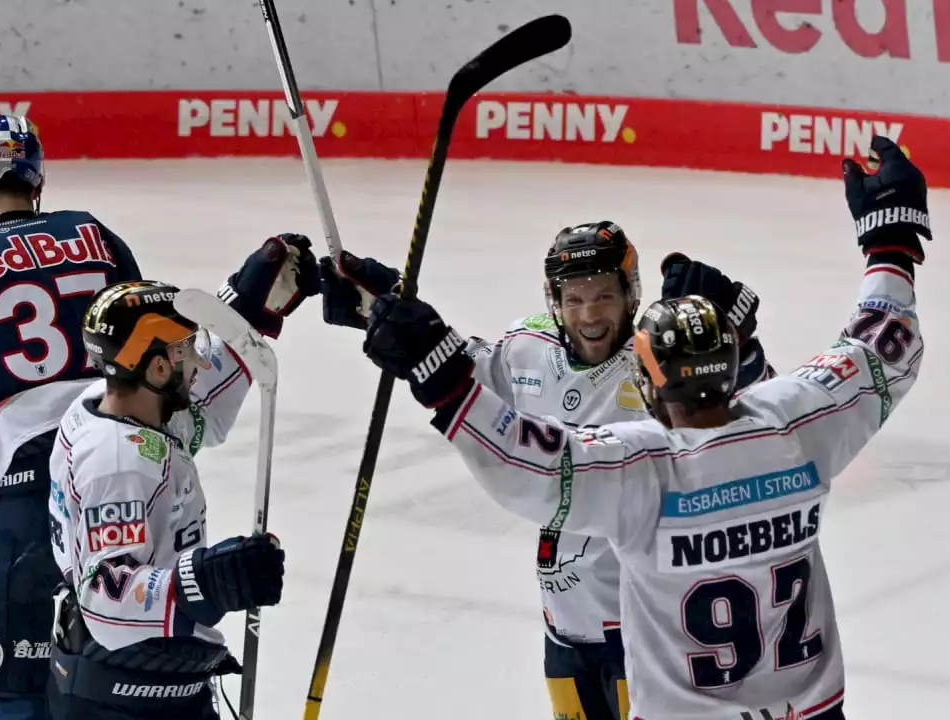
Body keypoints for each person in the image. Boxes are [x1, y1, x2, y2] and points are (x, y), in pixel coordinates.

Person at [357, 136, 928, 719]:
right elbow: (883, 346)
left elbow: (523, 460)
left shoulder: (643, 472)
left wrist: (435, 373)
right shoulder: (796, 424)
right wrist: (892, 242)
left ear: (649, 383)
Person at [0, 113, 318, 719]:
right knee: (132, 666)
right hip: (126, 457)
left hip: (24, 507)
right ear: (35, 180)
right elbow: (160, 351)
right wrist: (240, 309)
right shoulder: (94, 236)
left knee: (25, 693)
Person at [319, 226, 771, 720]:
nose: (590, 315)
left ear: (631, 294)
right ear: (554, 300)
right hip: (564, 628)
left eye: (604, 296)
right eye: (574, 298)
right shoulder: (528, 346)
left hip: (647, 629)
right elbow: (456, 366)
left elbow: (740, 418)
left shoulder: (655, 362)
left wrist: (739, 346)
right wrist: (380, 308)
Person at [45, 279, 298, 720]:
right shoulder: (119, 463)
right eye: (187, 350)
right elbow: (104, 600)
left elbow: (204, 408)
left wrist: (249, 308)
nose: (199, 360)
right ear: (158, 370)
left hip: (143, 687)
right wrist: (207, 580)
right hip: (122, 702)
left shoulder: (113, 405)